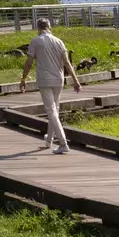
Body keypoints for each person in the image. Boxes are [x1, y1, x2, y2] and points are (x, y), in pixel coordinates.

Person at [18, 17, 82, 154]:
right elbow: (67, 63)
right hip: (59, 80)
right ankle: (49, 141)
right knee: (54, 110)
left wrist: (23, 79)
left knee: (51, 111)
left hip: (45, 80)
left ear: (38, 28)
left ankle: (63, 143)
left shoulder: (35, 41)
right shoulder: (59, 41)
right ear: (49, 27)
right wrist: (75, 81)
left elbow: (29, 62)